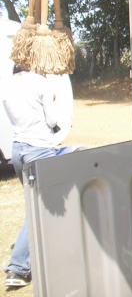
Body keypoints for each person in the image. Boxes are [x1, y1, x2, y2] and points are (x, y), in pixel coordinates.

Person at [1, 64, 61, 288]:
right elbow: (53, 121)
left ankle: (40, 255)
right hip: (39, 148)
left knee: (35, 205)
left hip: (18, 148)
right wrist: (53, 99)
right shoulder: (40, 83)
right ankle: (19, 266)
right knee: (38, 207)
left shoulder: (7, 84)